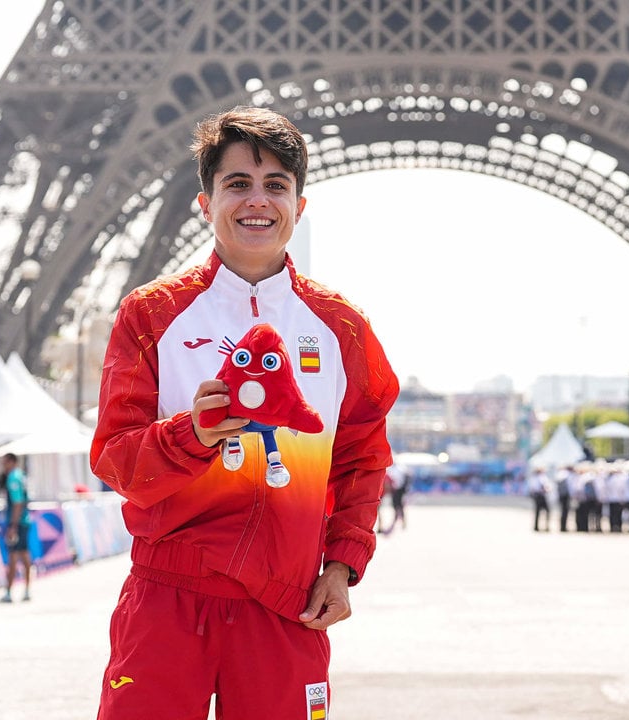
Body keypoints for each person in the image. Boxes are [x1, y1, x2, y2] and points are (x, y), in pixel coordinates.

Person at [90, 106, 399, 720]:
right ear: (204, 202)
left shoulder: (341, 327)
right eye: (237, 184)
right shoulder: (150, 315)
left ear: (299, 205)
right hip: (169, 594)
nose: (257, 201)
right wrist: (192, 435)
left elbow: (363, 461)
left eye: (275, 185)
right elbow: (114, 459)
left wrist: (342, 565)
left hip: (287, 601)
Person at [0, 452, 32, 602]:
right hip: (24, 520)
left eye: (5, 463)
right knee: (24, 555)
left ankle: (9, 591)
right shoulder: (21, 475)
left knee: (13, 557)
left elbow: (18, 503)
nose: (3, 466)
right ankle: (26, 590)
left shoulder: (13, 478)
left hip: (17, 522)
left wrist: (13, 525)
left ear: (12, 462)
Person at [525, 465, 551, 532]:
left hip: (538, 496)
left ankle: (537, 527)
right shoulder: (541, 477)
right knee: (545, 511)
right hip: (540, 496)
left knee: (538, 512)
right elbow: (544, 486)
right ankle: (543, 526)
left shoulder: (534, 478)